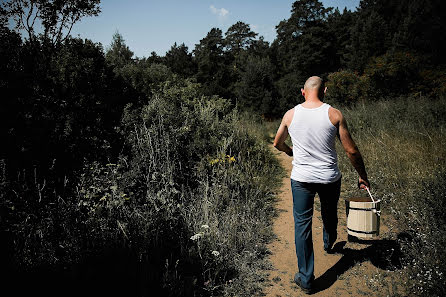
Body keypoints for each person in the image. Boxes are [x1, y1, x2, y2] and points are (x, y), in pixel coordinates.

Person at [273, 76, 370, 294]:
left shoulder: (290, 114)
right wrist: (362, 176)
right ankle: (329, 241)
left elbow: (277, 143)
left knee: (302, 224)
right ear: (324, 90)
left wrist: (290, 151)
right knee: (329, 212)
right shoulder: (334, 114)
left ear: (302, 91)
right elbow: (351, 150)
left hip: (301, 179)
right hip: (329, 178)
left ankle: (306, 278)